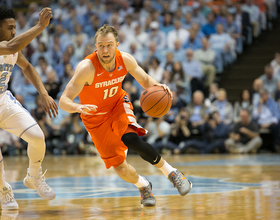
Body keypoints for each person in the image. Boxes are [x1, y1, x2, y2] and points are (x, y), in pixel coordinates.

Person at [59, 24, 192, 207]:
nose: (105, 50)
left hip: (117, 106)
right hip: (95, 120)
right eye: (101, 45)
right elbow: (63, 100)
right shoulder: (86, 68)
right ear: (95, 46)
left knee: (130, 138)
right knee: (121, 169)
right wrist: (77, 106)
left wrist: (158, 86)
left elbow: (145, 80)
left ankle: (173, 173)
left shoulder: (125, 59)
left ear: (117, 45)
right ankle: (143, 185)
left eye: (109, 45)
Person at [0, 6, 57, 210]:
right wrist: (40, 26)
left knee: (37, 136)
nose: (14, 31)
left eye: (15, 27)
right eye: (10, 27)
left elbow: (28, 67)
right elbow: (13, 45)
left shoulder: (12, 48)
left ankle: (33, 176)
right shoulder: (9, 46)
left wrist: (43, 93)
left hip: (3, 99)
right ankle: (4, 191)